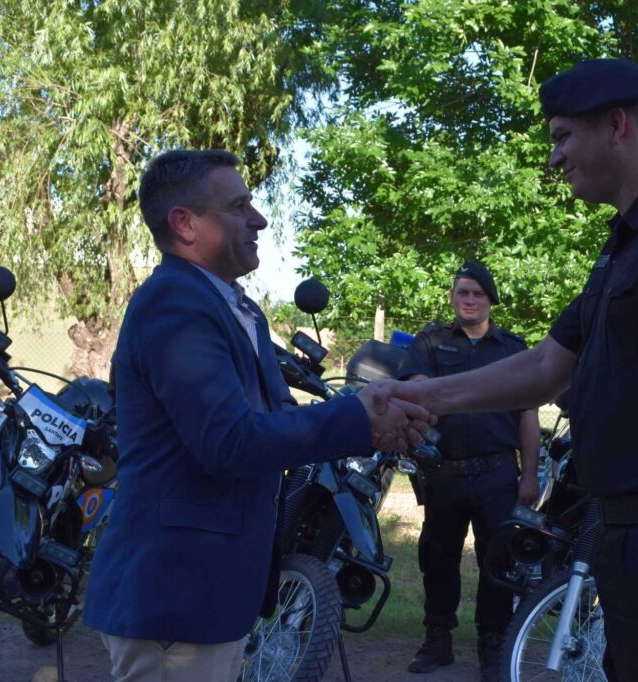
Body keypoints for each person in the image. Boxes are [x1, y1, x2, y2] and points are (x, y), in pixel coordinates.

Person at [381, 58, 638, 681]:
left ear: (617, 125)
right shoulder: (632, 237)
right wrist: (419, 395)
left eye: (563, 137)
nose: (555, 158)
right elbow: (547, 367)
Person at [83, 149, 430, 682]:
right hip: (175, 592)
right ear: (185, 223)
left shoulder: (236, 306)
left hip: (212, 589)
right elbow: (229, 443)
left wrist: (373, 420)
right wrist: (359, 419)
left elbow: (280, 423)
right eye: (239, 205)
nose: (260, 219)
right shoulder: (174, 304)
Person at [399, 261, 540, 682]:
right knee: (438, 557)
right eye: (463, 292)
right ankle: (437, 638)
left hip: (497, 472)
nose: (470, 300)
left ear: (490, 300)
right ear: (452, 296)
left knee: (497, 561)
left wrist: (529, 475)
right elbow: (418, 387)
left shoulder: (513, 348)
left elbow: (528, 416)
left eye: (478, 293)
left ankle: (492, 643)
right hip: (443, 472)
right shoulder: (430, 341)